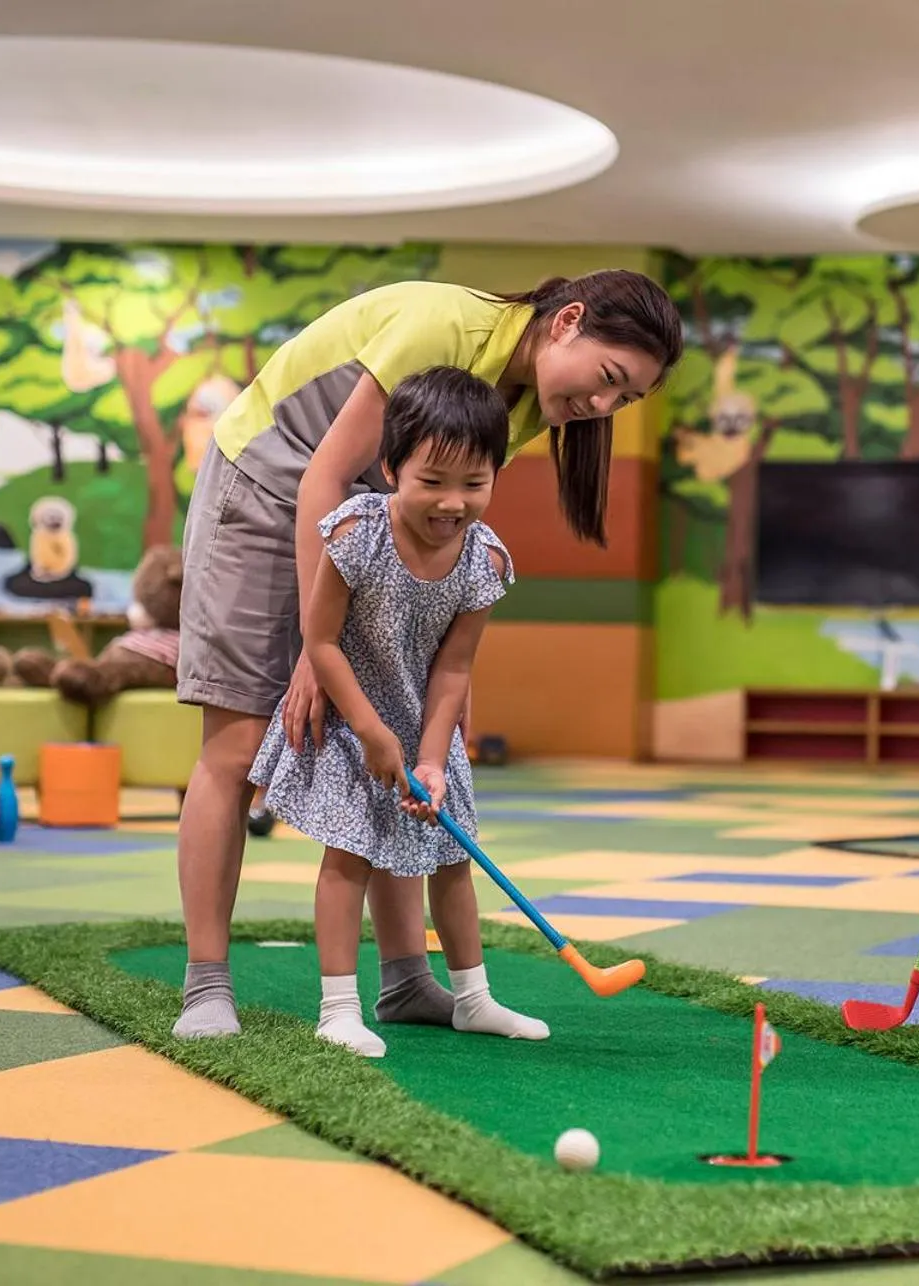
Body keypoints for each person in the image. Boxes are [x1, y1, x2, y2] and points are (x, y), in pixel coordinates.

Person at [173, 271, 684, 1040]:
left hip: (370, 517)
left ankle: (408, 982)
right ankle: (206, 985)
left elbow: (446, 516)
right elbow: (325, 473)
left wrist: (430, 680)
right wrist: (318, 654)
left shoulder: (525, 402)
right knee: (238, 740)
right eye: (609, 380)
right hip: (270, 483)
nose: (603, 409)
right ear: (567, 321)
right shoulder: (442, 328)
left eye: (626, 401)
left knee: (401, 737)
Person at [249, 367, 539, 1056]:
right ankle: (338, 1009)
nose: (452, 503)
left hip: (423, 725)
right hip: (352, 722)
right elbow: (319, 641)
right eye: (431, 480)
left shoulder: (484, 560)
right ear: (390, 468)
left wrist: (433, 756)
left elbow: (456, 668)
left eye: (474, 483)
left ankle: (472, 1000)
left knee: (451, 859)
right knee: (349, 858)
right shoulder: (357, 531)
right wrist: (373, 732)